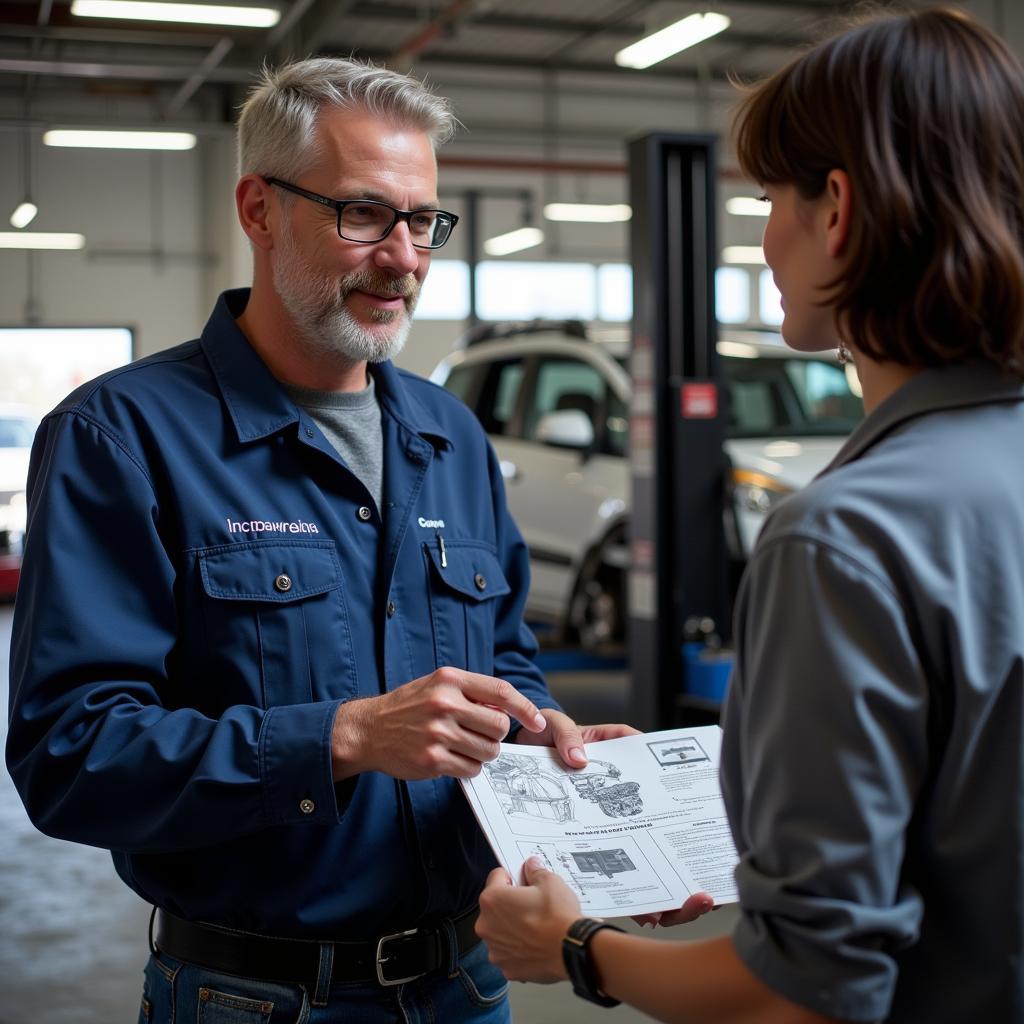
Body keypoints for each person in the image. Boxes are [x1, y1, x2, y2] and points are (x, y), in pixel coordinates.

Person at [5, 57, 643, 1023]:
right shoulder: (123, 439)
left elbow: (506, 661)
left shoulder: (451, 435)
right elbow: (70, 753)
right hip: (252, 998)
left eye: (422, 221)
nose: (404, 258)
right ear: (258, 210)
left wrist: (547, 740)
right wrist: (343, 737)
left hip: (469, 985)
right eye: (363, 215)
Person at [475, 7, 1024, 1023]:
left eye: (770, 195)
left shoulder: (841, 536)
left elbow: (807, 995)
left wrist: (572, 946)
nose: (765, 237)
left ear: (838, 211)